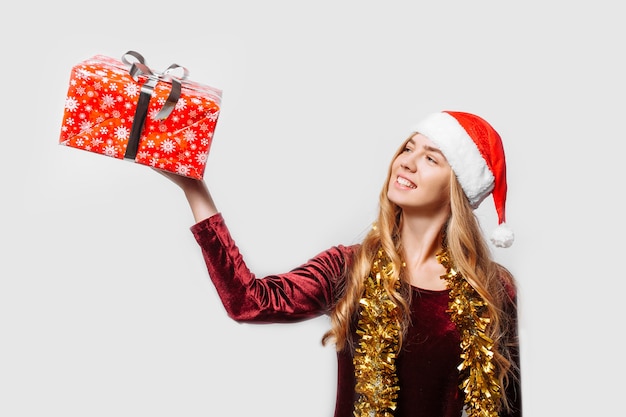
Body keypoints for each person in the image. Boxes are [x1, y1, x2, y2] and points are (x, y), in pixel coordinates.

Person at [157, 110, 522, 417]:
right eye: (408, 148)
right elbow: (249, 301)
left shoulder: (491, 288)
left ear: (457, 186)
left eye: (431, 158)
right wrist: (194, 188)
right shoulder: (352, 268)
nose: (407, 162)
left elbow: (508, 405)